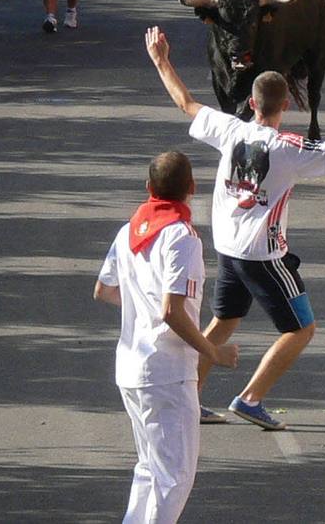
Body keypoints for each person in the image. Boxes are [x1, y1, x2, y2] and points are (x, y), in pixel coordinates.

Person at [143, 26, 325, 430]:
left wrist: (161, 60)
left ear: (251, 103)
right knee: (302, 328)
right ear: (286, 103)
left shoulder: (230, 129)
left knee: (224, 322)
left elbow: (186, 102)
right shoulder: (287, 147)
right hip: (264, 256)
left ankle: (189, 398)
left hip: (229, 249)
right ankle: (250, 399)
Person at [94, 150, 239, 524]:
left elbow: (104, 290)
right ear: (192, 188)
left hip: (131, 366)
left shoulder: (129, 230)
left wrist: (141, 300)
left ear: (148, 188)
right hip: (168, 372)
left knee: (150, 469)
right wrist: (214, 353)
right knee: (174, 478)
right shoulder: (182, 238)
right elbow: (172, 311)